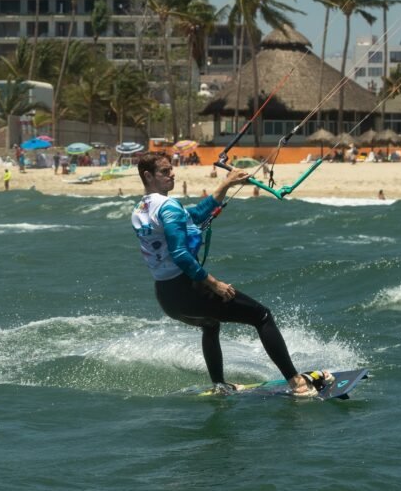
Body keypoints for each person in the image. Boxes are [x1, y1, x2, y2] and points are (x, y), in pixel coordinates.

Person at [131, 152, 330, 397]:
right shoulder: (168, 206)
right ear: (148, 176)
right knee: (262, 316)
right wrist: (214, 284)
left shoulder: (140, 209)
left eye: (171, 169)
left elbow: (193, 216)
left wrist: (226, 184)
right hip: (188, 289)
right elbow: (181, 254)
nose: (172, 174)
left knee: (210, 324)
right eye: (165, 171)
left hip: (167, 297)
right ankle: (297, 383)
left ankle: (219, 385)